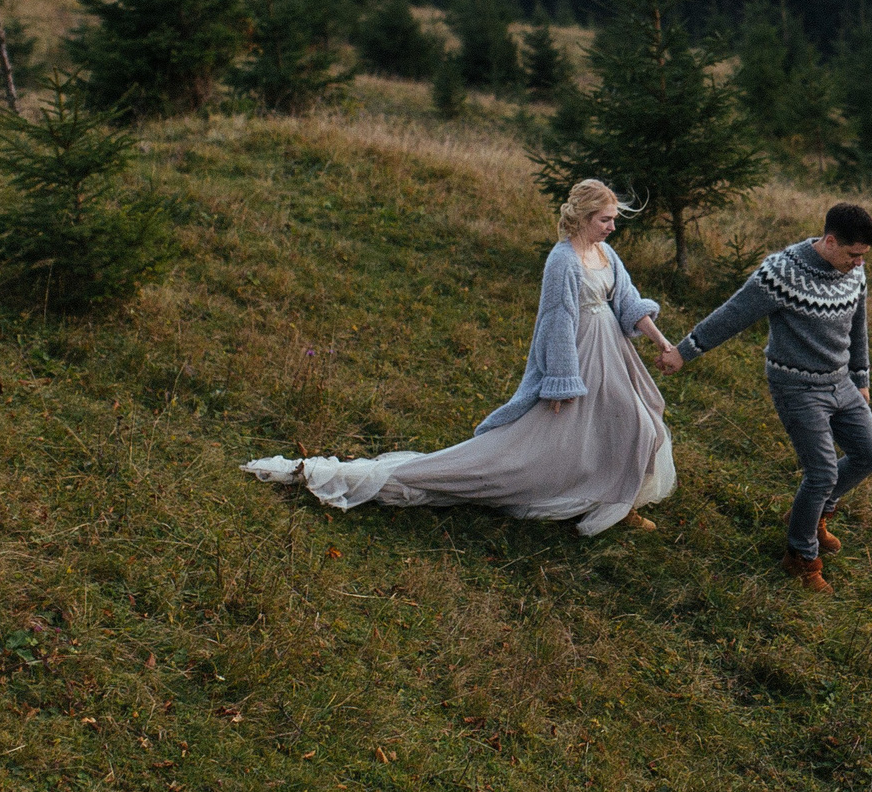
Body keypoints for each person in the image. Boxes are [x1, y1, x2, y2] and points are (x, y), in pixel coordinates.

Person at [243, 179, 680, 536]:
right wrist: (561, 382)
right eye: (605, 220)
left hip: (613, 353)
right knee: (560, 440)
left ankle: (618, 500)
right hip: (581, 357)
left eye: (613, 221)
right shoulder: (562, 261)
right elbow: (556, 324)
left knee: (639, 422)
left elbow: (627, 300)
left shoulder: (606, 253)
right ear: (584, 218)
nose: (611, 228)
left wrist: (659, 340)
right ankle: (591, 496)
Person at [663, 202, 872, 593]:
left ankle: (814, 514)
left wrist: (860, 377)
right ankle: (800, 557)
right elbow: (733, 315)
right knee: (821, 473)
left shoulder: (855, 269)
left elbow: (859, 324)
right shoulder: (781, 273)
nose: (858, 263)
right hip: (797, 388)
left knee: (871, 455)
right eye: (853, 254)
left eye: (863, 256)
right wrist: (684, 351)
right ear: (830, 241)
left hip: (840, 382)